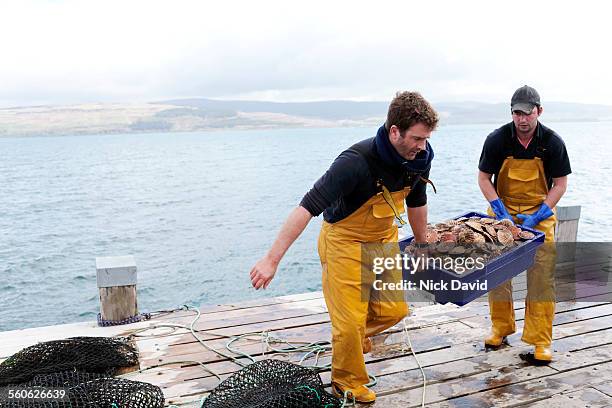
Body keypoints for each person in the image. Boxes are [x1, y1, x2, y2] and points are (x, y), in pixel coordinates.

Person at [250, 91, 438, 403]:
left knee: (395, 309)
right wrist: (271, 259)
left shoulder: (419, 158)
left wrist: (421, 244)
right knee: (349, 322)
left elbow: (417, 200)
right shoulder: (354, 163)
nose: (422, 146)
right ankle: (346, 381)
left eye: (426, 138)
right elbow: (306, 208)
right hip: (344, 242)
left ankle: (350, 338)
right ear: (395, 132)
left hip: (383, 239)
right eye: (417, 138)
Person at [477, 85, 571, 362]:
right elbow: (484, 178)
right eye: (517, 113)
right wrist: (498, 208)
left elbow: (561, 184)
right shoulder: (497, 139)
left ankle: (541, 340)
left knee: (541, 279)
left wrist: (540, 213)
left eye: (527, 113)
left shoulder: (553, 142)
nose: (522, 119)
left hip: (538, 217)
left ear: (538, 112)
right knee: (497, 274)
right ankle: (501, 327)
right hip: (503, 214)